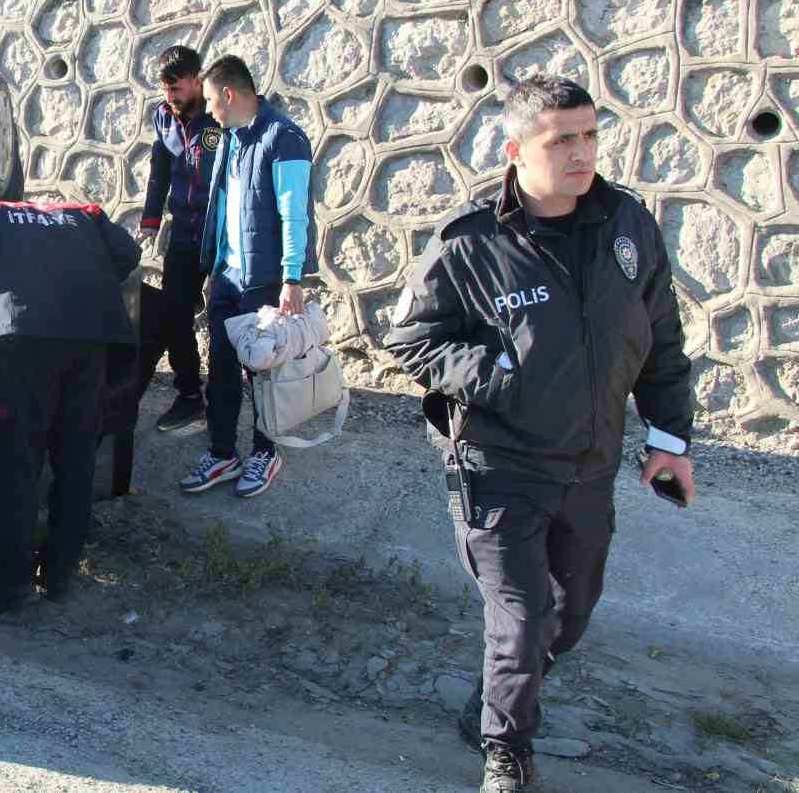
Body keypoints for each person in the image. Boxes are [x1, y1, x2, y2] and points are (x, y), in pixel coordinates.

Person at [383, 75, 695, 793]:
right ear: (517, 149)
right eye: (563, 140)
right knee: (521, 622)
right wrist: (499, 374)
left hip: (590, 466)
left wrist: (670, 441)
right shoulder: (470, 240)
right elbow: (410, 338)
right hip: (500, 467)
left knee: (570, 613)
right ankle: (507, 753)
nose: (582, 153)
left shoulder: (627, 225)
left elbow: (661, 338)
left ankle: (498, 699)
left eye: (590, 135)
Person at [0, 199, 140, 614]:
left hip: (23, 339)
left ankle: (12, 585)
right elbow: (129, 253)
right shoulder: (88, 213)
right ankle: (59, 576)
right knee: (76, 460)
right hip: (89, 338)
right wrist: (84, 287)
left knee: (19, 464)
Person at [179, 55, 317, 499]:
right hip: (228, 277)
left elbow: (294, 213)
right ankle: (222, 453)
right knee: (219, 367)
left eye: (212, 100)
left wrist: (292, 278)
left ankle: (265, 451)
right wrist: (213, 266)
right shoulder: (231, 139)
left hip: (264, 281)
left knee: (264, 375)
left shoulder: (285, 138)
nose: (209, 109)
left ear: (230, 95)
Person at [136, 45, 220, 432]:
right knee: (174, 314)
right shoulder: (162, 118)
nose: (170, 97)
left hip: (221, 237)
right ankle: (190, 396)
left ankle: (227, 399)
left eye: (177, 88)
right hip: (183, 235)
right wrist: (151, 220)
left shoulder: (219, 117)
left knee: (226, 320)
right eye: (165, 89)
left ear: (197, 81)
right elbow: (159, 171)